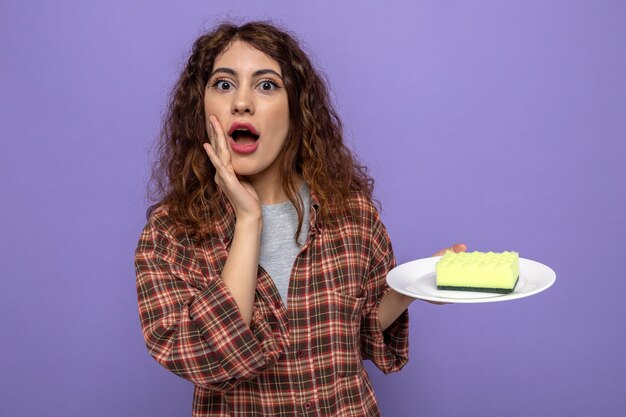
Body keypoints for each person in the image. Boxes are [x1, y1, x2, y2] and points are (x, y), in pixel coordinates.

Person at [135, 21, 466, 416]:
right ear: (201, 109)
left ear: (296, 108)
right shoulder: (170, 234)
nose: (242, 102)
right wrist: (248, 219)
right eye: (223, 84)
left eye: (266, 85)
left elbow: (356, 334)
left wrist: (416, 287)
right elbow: (210, 356)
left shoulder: (351, 214)